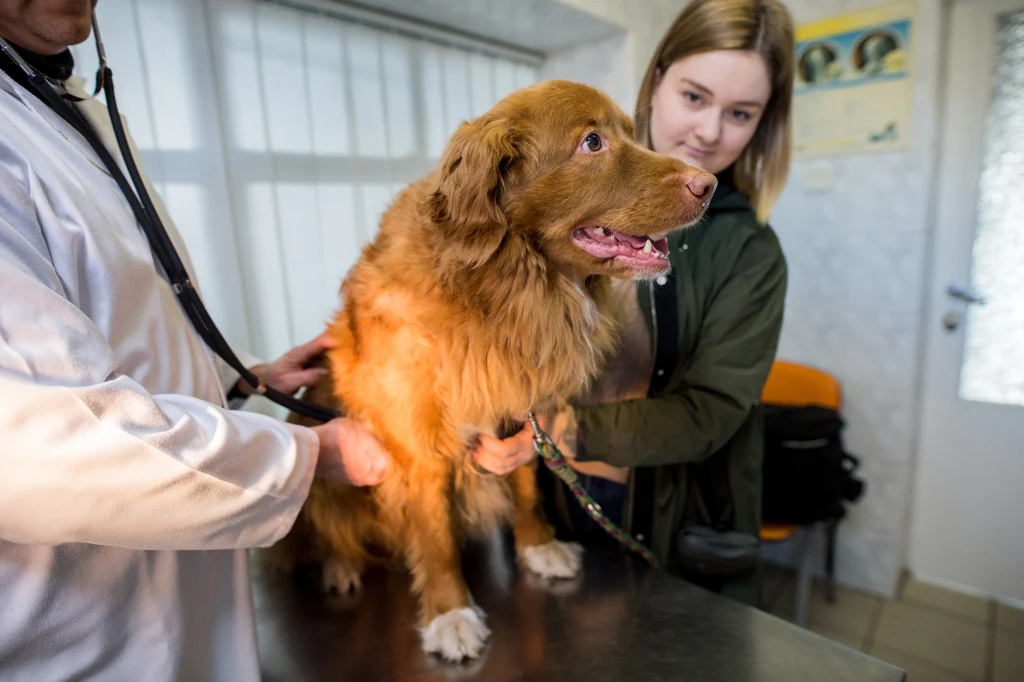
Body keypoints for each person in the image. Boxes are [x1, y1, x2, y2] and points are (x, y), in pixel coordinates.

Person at [0, 1, 390, 679]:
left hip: (182, 598)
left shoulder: (63, 105)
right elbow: (48, 441)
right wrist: (312, 456)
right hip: (82, 636)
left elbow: (118, 320)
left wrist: (241, 379)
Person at [475, 0, 794, 607]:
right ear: (657, 79)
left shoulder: (749, 251)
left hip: (663, 516)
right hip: (547, 496)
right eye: (694, 97)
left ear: (763, 122)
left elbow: (709, 413)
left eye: (739, 113)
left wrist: (558, 432)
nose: (708, 131)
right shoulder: (569, 185)